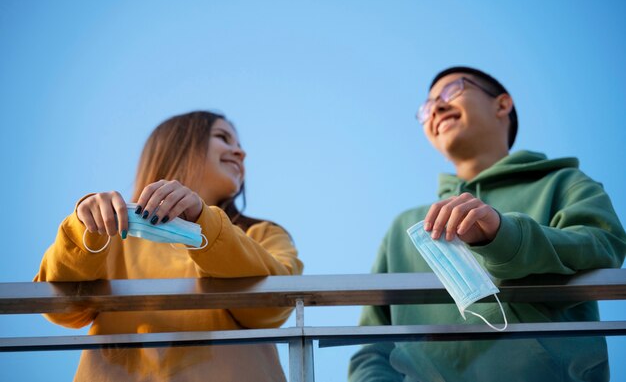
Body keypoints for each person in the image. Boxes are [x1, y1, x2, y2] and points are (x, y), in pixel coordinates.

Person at [348, 67, 626, 382]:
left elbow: (604, 247)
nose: (437, 107)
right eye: (427, 107)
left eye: (452, 90)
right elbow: (372, 349)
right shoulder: (405, 229)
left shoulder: (564, 183)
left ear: (502, 105)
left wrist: (504, 236)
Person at [35, 111, 303, 382]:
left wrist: (203, 221)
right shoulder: (112, 234)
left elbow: (274, 307)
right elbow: (59, 308)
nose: (241, 153)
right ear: (179, 146)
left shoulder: (263, 234)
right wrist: (85, 226)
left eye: (239, 144)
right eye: (223, 137)